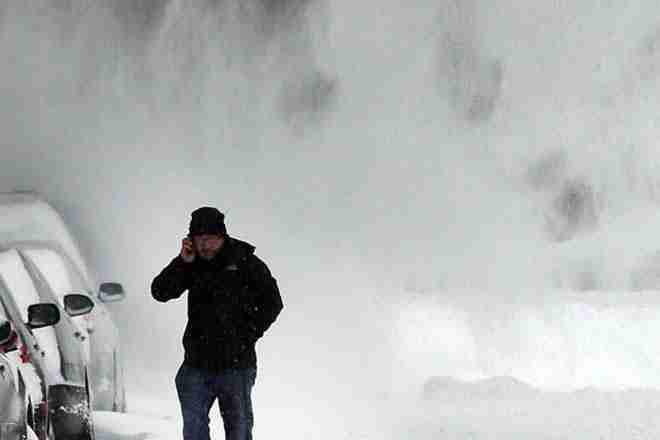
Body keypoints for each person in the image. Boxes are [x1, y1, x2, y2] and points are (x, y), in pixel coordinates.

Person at [151, 206, 283, 440]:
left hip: (236, 366)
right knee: (194, 431)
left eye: (211, 239)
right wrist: (182, 262)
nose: (205, 245)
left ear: (222, 237)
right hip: (196, 364)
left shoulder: (245, 261)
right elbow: (160, 292)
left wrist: (247, 335)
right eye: (200, 239)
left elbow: (273, 302)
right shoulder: (191, 264)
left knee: (239, 431)